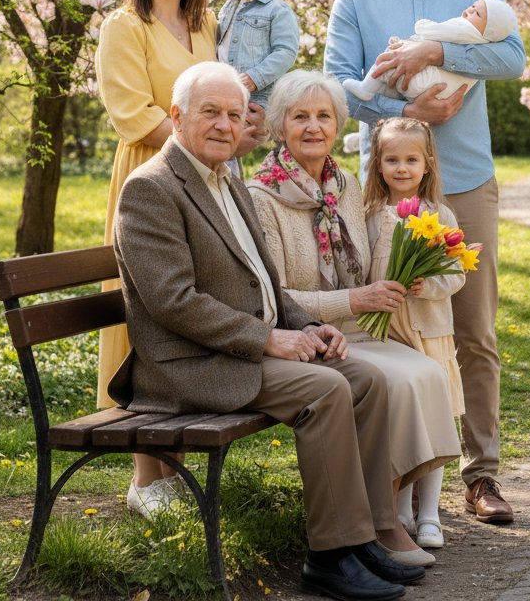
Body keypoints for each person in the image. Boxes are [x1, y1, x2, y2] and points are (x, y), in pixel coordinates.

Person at [108, 61, 424, 600]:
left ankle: (365, 536)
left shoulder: (225, 179)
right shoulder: (153, 189)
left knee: (363, 378)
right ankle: (329, 555)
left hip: (239, 350)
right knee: (327, 389)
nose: (224, 125)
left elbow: (266, 282)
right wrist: (267, 338)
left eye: (234, 115)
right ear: (177, 117)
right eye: (210, 113)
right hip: (188, 366)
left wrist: (308, 325)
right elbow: (172, 302)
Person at [324, 0, 526, 525]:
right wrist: (406, 106)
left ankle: (481, 476)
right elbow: (336, 84)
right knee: (384, 326)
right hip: (382, 194)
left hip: (464, 183)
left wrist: (439, 47)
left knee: (472, 332)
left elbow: (511, 58)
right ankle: (392, 478)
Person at [247, 70, 460, 567]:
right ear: (280, 126)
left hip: (357, 331)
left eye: (324, 116)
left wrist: (402, 247)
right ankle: (381, 522)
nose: (314, 127)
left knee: (425, 372)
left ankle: (392, 512)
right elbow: (275, 296)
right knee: (398, 379)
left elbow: (367, 264)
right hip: (306, 335)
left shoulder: (343, 185)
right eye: (301, 117)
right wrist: (354, 302)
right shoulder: (261, 197)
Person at [95, 0, 261, 517]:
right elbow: (131, 111)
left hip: (211, 180)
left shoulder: (206, 23)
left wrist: (238, 128)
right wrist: (213, 139)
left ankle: (177, 466)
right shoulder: (124, 26)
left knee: (203, 297)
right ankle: (146, 477)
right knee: (150, 310)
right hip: (154, 178)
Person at [362, 117, 466, 551]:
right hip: (389, 335)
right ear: (378, 164)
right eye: (391, 159)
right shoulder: (369, 215)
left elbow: (456, 272)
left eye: (410, 159)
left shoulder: (439, 214)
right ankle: (400, 509)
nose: (401, 168)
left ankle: (430, 514)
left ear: (427, 164)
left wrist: (430, 285)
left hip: (428, 330)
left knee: (434, 421)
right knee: (402, 425)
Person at [343, 0, 518, 102]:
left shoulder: (465, 29)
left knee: (387, 61)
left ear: (489, 30)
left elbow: (434, 32)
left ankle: (365, 89)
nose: (468, 12)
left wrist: (422, 25)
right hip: (437, 91)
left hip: (424, 83)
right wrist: (406, 43)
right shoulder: (483, 43)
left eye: (477, 14)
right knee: (393, 83)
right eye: (472, 6)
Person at [216, 0, 301, 108]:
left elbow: (285, 52)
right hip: (224, 91)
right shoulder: (229, 7)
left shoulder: (277, 10)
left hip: (258, 96)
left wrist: (256, 77)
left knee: (248, 134)